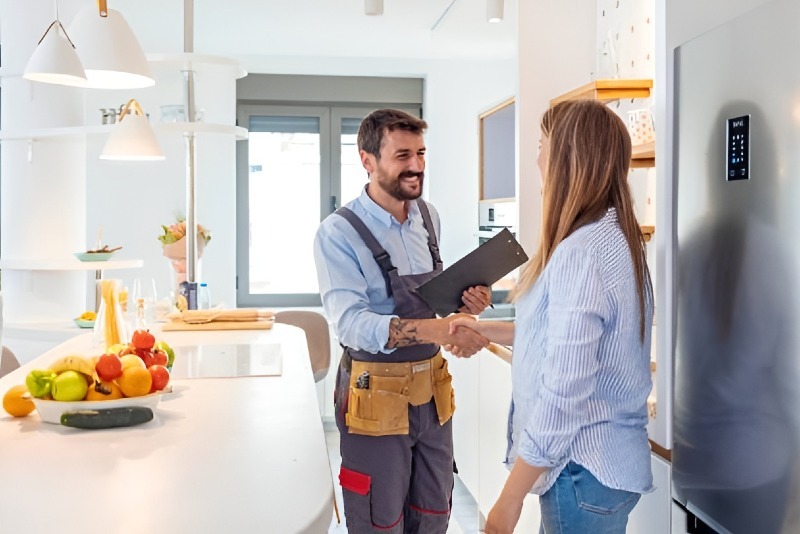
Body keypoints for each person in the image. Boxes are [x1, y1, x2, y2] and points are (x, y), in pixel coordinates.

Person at [451, 99, 654, 533]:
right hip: (608, 471)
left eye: (543, 145)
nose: (537, 159)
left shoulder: (580, 253)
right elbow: (558, 338)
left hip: (579, 469)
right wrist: (483, 329)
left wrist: (510, 498)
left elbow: (565, 390)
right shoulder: (616, 237)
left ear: (567, 157)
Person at [313, 108, 492, 533]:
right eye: (402, 155)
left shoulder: (428, 217)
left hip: (432, 395)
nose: (416, 166)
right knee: (379, 520)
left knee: (433, 513)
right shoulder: (337, 233)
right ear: (368, 160)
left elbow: (434, 302)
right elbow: (352, 324)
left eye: (421, 154)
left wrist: (466, 305)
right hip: (375, 397)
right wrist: (438, 329)